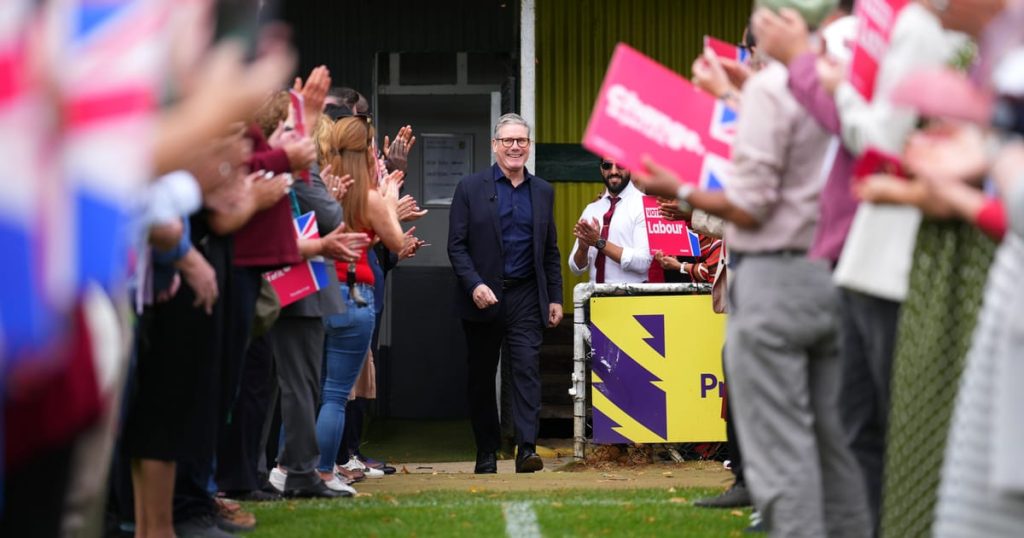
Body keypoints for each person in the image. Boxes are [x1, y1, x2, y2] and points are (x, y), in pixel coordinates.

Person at [634, 1, 871, 534]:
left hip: (774, 278)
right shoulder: (839, 84)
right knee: (838, 446)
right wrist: (735, 95)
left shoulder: (772, 92)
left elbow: (751, 203)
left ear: (772, 27)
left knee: (780, 450)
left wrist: (683, 188)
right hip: (834, 271)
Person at [312, 114, 423, 491]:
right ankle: (327, 471)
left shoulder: (320, 187)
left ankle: (289, 466)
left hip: (317, 295)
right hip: (352, 293)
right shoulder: (369, 196)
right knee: (335, 396)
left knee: (307, 390)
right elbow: (395, 241)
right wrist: (391, 201)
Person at [447, 113, 563, 474]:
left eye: (522, 141)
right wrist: (475, 284)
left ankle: (526, 448)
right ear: (495, 145)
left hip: (527, 294)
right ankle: (486, 451)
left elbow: (550, 251)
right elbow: (456, 246)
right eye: (508, 141)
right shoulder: (470, 187)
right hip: (484, 297)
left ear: (529, 147)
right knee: (482, 375)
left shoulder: (543, 191)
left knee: (527, 370)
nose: (515, 147)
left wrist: (555, 297)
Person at [569, 159, 651, 283]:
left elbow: (642, 262)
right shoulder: (592, 209)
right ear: (601, 169)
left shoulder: (644, 205)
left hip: (631, 298)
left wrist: (599, 242)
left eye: (621, 165)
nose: (613, 171)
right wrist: (583, 249)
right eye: (607, 166)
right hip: (595, 298)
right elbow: (576, 269)